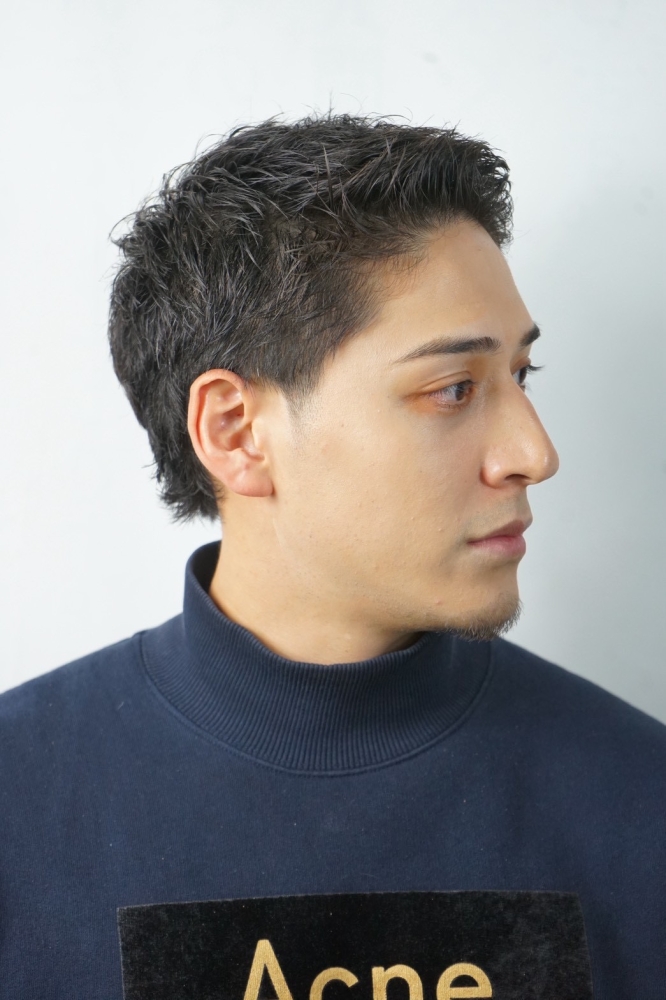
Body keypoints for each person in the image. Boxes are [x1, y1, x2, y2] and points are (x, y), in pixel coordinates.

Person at [0, 114, 664, 999]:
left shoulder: (639, 801)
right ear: (236, 432)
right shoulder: (20, 805)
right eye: (453, 389)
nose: (533, 454)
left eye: (520, 376)